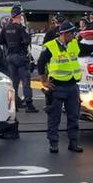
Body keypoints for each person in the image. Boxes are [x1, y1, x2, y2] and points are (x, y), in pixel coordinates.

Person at [37, 21, 83, 153]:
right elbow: (41, 63)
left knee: (73, 116)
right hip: (56, 86)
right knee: (54, 117)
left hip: (72, 86)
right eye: (72, 33)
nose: (74, 35)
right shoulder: (51, 46)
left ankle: (73, 143)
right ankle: (53, 143)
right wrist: (43, 81)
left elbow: (87, 48)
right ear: (65, 34)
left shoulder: (74, 44)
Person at [0, 5, 38, 113]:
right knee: (25, 81)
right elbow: (26, 40)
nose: (21, 18)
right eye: (20, 16)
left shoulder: (6, 27)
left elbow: (0, 41)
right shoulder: (20, 28)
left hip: (10, 57)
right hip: (20, 57)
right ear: (18, 16)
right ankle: (29, 105)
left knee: (13, 83)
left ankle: (13, 104)